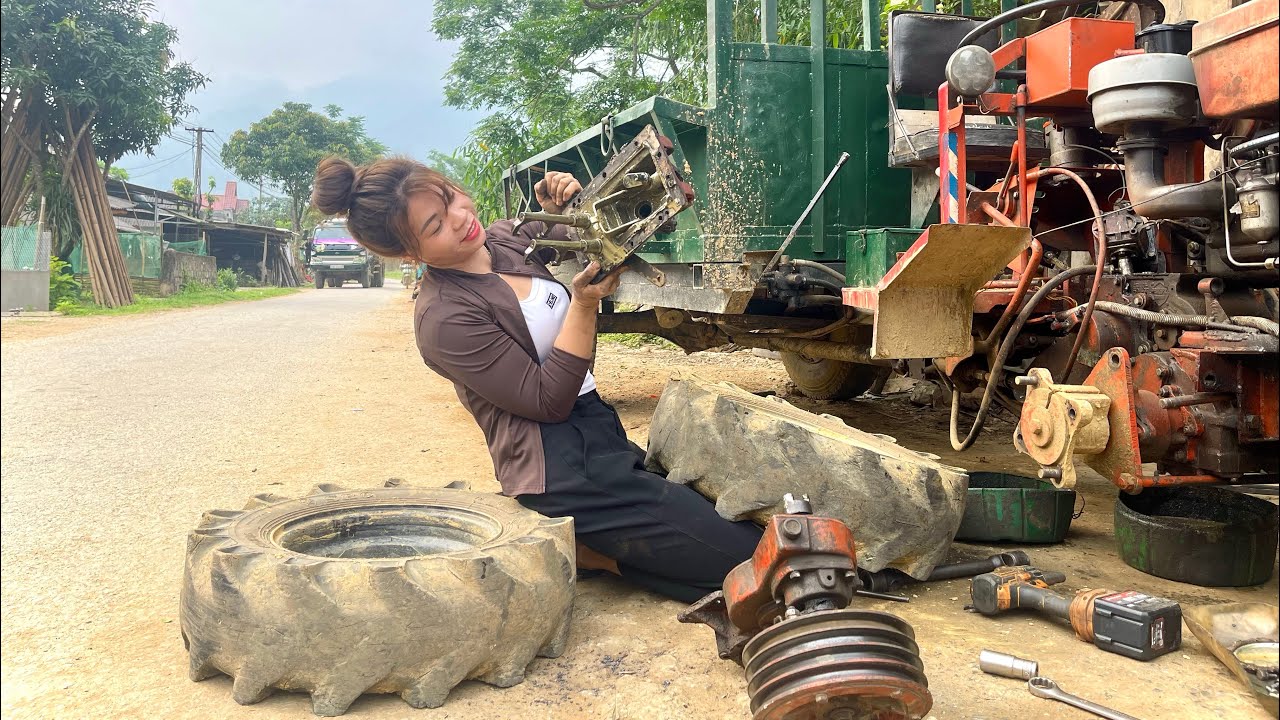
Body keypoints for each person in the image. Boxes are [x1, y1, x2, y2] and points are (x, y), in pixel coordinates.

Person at [311, 156, 762, 603]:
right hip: (559, 468)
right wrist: (583, 307)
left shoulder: (503, 240)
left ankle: (597, 551)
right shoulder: (444, 320)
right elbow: (548, 401)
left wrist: (562, 203)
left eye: (450, 199)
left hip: (601, 436)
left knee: (741, 528)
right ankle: (596, 555)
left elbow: (572, 233)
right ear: (410, 253)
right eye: (435, 226)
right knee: (754, 560)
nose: (461, 219)